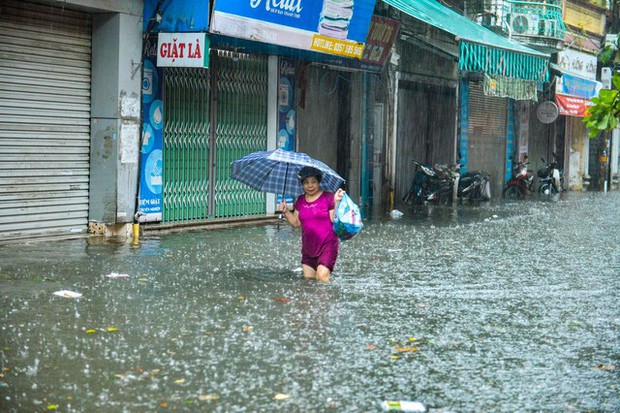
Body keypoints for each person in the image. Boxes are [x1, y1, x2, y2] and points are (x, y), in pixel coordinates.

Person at [279, 166, 344, 282]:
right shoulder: (300, 200)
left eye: (313, 182)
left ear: (319, 182)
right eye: (306, 182)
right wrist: (286, 211)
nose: (310, 185)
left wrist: (337, 202)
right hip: (308, 248)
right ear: (302, 184)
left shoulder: (328, 197)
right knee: (309, 281)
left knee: (322, 276)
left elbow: (334, 219)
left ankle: (327, 300)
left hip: (327, 245)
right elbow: (296, 223)